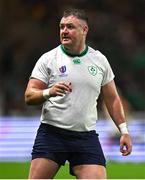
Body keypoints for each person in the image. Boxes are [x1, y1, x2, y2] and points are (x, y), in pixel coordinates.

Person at [25, 8, 132, 179]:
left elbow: (112, 99)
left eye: (70, 27)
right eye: (61, 27)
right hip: (52, 134)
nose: (64, 31)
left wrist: (124, 131)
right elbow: (29, 96)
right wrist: (48, 92)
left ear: (84, 30)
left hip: (85, 137)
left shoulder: (99, 60)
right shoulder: (49, 58)